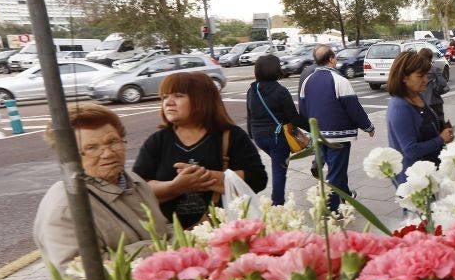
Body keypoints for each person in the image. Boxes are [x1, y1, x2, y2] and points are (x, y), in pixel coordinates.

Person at [34, 104, 167, 280]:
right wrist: (158, 250)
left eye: (113, 142)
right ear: (70, 155)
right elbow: (78, 277)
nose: (107, 153)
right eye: (91, 148)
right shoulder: (66, 207)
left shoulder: (134, 182)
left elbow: (162, 230)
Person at [134, 71, 267, 228]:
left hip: (225, 232)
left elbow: (258, 179)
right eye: (164, 97)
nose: (168, 102)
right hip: (171, 237)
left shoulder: (231, 136)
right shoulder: (157, 141)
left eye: (178, 95)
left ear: (201, 99)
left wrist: (205, 178)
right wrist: (175, 186)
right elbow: (137, 187)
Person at [299, 44, 375, 211]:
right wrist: (368, 127)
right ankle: (331, 210)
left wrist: (311, 132)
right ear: (331, 59)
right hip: (338, 136)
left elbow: (303, 110)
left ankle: (346, 194)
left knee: (337, 169)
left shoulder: (307, 81)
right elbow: (353, 108)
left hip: (318, 135)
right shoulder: (340, 80)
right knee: (336, 172)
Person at [246, 54, 308, 206]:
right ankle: (277, 204)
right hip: (277, 138)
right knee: (279, 171)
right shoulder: (281, 91)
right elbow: (293, 117)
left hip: (258, 137)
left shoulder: (252, 90)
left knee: (277, 164)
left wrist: (252, 134)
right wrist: (313, 127)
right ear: (276, 69)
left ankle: (277, 202)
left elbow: (249, 115)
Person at [386, 50, 455, 182]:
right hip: (415, 182)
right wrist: (440, 139)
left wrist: (442, 132)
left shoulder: (417, 95)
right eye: (420, 76)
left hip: (430, 172)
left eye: (426, 75)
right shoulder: (400, 107)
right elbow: (410, 150)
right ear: (404, 78)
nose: (426, 80)